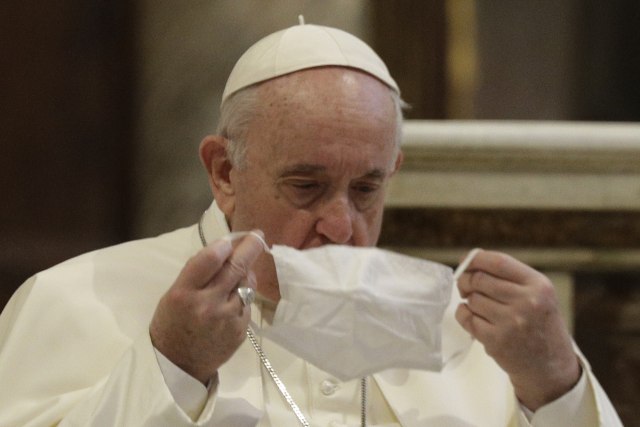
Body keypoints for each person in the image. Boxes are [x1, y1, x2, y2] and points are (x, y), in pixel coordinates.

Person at [0, 21, 622, 427]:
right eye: (306, 186)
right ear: (224, 171)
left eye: (366, 189)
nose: (342, 226)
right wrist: (172, 366)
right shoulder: (73, 300)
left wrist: (555, 383)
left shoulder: (465, 327)